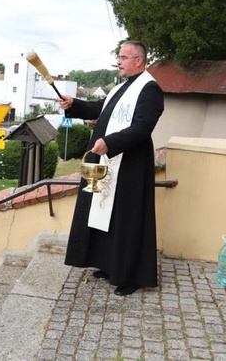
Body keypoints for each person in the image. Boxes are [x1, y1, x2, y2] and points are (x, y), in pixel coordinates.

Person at [58, 41, 164, 297]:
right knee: (106, 216)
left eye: (124, 57)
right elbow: (98, 109)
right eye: (119, 57)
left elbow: (142, 128)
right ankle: (109, 264)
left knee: (127, 220)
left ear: (139, 60)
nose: (119, 61)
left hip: (130, 165)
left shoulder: (150, 89)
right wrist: (73, 104)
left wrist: (110, 142)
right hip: (107, 161)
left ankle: (131, 275)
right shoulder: (120, 87)